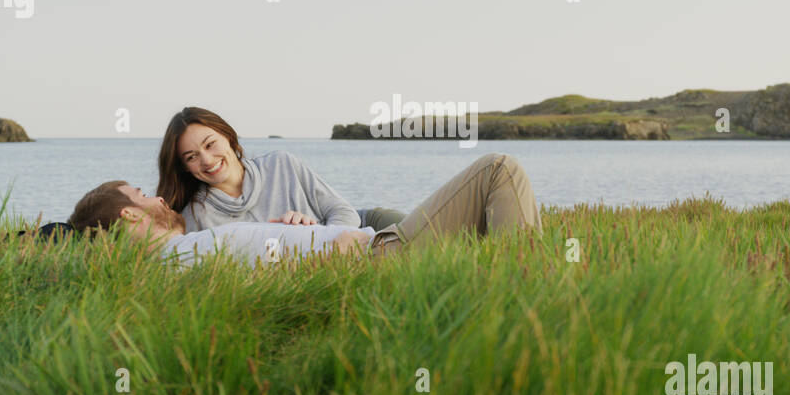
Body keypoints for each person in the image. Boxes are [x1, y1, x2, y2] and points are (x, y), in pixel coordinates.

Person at [70, 153, 540, 266]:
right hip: (380, 254)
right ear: (131, 215)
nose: (155, 197)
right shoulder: (189, 248)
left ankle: (512, 272)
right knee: (498, 169)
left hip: (368, 234)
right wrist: (337, 249)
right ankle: (524, 282)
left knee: (486, 217)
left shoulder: (180, 252)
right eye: (140, 194)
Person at [156, 107, 404, 232]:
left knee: (434, 227)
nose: (207, 160)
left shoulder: (281, 163)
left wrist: (319, 237)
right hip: (327, 252)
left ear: (228, 137)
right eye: (192, 157)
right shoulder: (197, 216)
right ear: (185, 168)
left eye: (211, 144)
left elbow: (342, 211)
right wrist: (298, 242)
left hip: (358, 223)